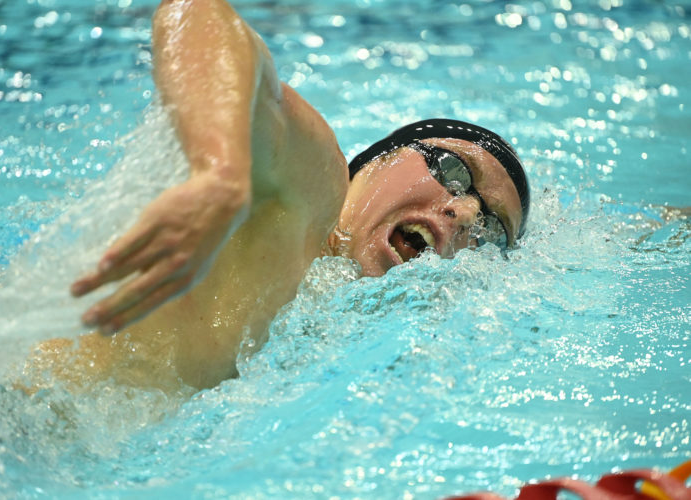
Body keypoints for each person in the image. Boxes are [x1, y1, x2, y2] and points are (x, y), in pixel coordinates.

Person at [28, 0, 529, 393]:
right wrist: (220, 172)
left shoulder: (358, 348)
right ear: (376, 161)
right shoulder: (312, 188)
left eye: (490, 228)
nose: (464, 212)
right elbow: (196, 12)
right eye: (453, 170)